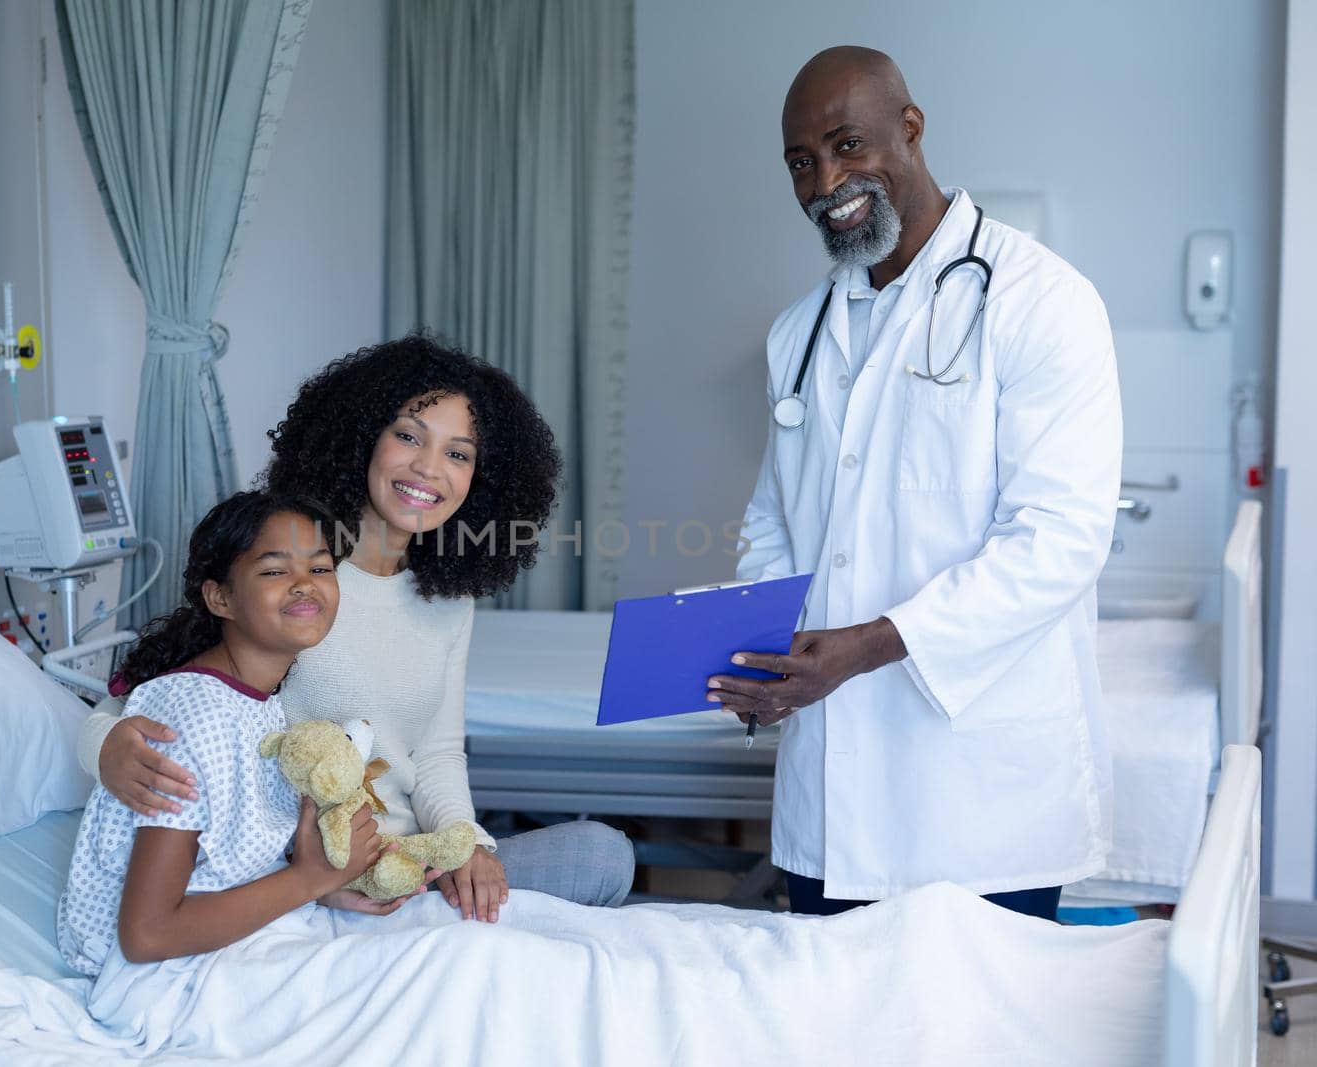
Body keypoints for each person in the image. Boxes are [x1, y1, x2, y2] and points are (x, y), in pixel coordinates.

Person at [707, 47, 1120, 920]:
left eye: (848, 144)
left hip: (982, 795)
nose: (827, 179)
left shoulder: (1040, 300)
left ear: (911, 129)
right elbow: (774, 520)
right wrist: (760, 653)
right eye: (801, 162)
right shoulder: (799, 334)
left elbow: (1059, 539)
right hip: (833, 793)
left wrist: (866, 644)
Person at [80, 336, 637, 923]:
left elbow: (439, 754)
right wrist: (107, 750)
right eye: (408, 436)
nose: (428, 468)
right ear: (362, 435)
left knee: (603, 855)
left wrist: (468, 843)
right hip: (308, 871)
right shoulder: (294, 577)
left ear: (482, 479)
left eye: (458, 454)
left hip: (414, 863)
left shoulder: (450, 601)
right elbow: (124, 713)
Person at [57, 492, 418, 977]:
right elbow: (147, 935)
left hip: (245, 937)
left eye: (320, 568)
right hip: (165, 976)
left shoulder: (258, 701)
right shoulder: (191, 719)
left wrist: (326, 886)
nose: (304, 586)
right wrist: (309, 879)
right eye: (274, 571)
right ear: (220, 598)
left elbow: (228, 864)